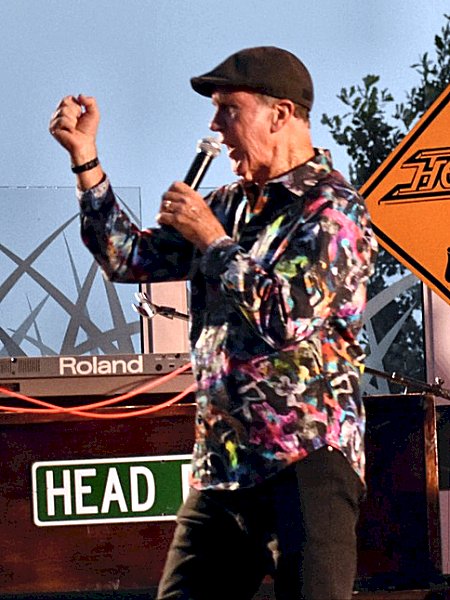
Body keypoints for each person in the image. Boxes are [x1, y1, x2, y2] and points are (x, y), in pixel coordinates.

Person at [49, 46, 378, 600]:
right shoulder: (227, 205)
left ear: (281, 114)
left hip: (305, 463)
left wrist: (214, 242)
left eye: (230, 109)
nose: (214, 124)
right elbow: (128, 258)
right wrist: (87, 162)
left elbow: (287, 317)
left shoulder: (332, 210)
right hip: (224, 467)